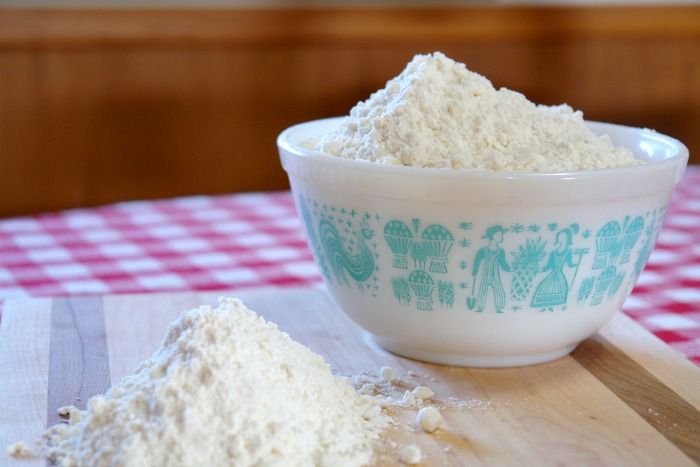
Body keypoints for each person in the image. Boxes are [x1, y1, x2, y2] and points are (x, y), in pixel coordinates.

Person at [531, 224, 581, 311]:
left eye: (564, 238)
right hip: (552, 274)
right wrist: (538, 270)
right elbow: (548, 266)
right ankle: (543, 306)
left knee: (557, 289)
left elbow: (570, 264)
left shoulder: (568, 252)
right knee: (545, 288)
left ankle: (551, 306)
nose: (561, 239)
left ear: (568, 239)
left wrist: (577, 263)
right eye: (560, 237)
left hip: (559, 275)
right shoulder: (553, 253)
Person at [468, 225, 510, 313]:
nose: (501, 237)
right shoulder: (483, 251)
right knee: (482, 289)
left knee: (499, 289)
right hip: (485, 274)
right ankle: (480, 306)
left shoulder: (500, 251)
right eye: (499, 234)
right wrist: (474, 272)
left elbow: (503, 264)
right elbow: (477, 262)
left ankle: (499, 307)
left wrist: (510, 269)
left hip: (495, 275)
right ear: (493, 236)